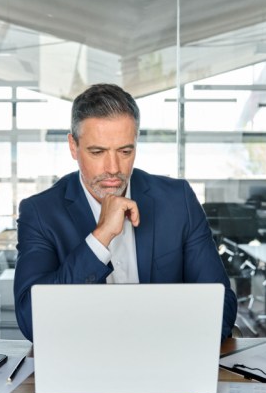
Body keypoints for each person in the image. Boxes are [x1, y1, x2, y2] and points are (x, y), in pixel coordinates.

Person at [13, 83, 237, 341]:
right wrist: (99, 239)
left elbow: (221, 307)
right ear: (73, 147)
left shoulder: (178, 200)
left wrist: (155, 346)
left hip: (167, 360)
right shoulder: (40, 213)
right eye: (97, 152)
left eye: (125, 151)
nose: (113, 168)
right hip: (84, 366)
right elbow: (32, 321)